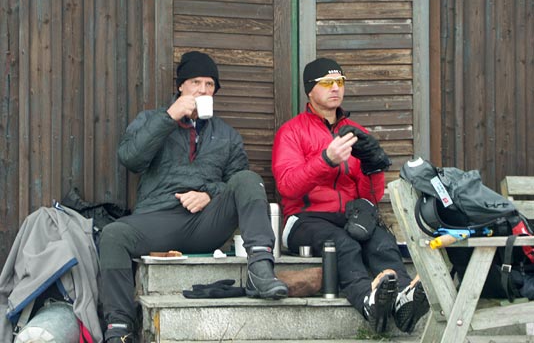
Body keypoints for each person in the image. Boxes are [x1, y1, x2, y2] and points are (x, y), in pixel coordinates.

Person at [99, 51, 288, 343]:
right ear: (181, 86)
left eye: (210, 84)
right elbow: (131, 159)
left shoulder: (227, 135)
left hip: (205, 225)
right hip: (157, 220)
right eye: (195, 82)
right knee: (113, 235)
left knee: (250, 180)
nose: (202, 89)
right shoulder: (151, 120)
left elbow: (238, 183)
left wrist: (209, 195)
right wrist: (168, 117)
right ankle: (119, 328)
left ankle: (261, 270)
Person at [271, 57, 429, 334]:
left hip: (349, 217)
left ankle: (403, 300)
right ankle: (368, 302)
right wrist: (326, 159)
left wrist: (373, 168)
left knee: (381, 241)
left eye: (340, 82)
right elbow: (287, 186)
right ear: (310, 90)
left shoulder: (356, 133)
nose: (336, 88)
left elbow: (370, 195)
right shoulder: (291, 132)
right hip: (303, 220)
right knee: (343, 244)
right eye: (327, 83)